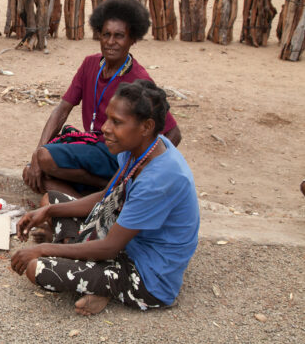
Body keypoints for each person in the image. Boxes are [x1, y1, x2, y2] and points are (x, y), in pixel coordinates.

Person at [12, 80, 200, 316]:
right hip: (126, 242)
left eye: (117, 122)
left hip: (147, 276)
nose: (105, 128)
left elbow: (110, 247)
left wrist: (45, 250)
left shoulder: (158, 180)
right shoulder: (143, 148)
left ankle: (106, 286)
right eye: (108, 118)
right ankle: (81, 259)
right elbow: (105, 196)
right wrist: (48, 213)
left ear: (146, 126)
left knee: (36, 268)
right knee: (50, 201)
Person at [23, 0, 181, 198]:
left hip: (117, 153)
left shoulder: (139, 79)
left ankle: (114, 183)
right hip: (91, 145)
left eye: (119, 36)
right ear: (99, 35)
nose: (111, 42)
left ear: (133, 39)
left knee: (45, 159)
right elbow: (62, 109)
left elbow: (173, 133)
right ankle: (95, 202)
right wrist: (36, 154)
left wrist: (134, 170)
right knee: (31, 172)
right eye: (106, 34)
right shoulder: (91, 64)